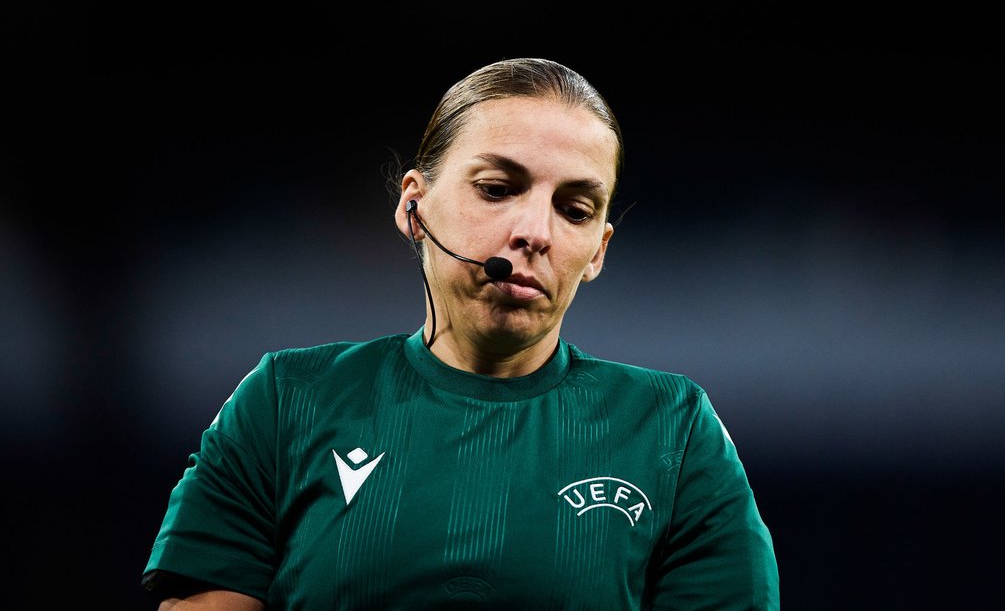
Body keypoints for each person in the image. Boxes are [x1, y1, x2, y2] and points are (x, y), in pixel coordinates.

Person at [141, 57, 780, 609]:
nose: (536, 231)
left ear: (597, 252)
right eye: (498, 188)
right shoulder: (285, 400)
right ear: (413, 205)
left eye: (575, 209)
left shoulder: (673, 428)